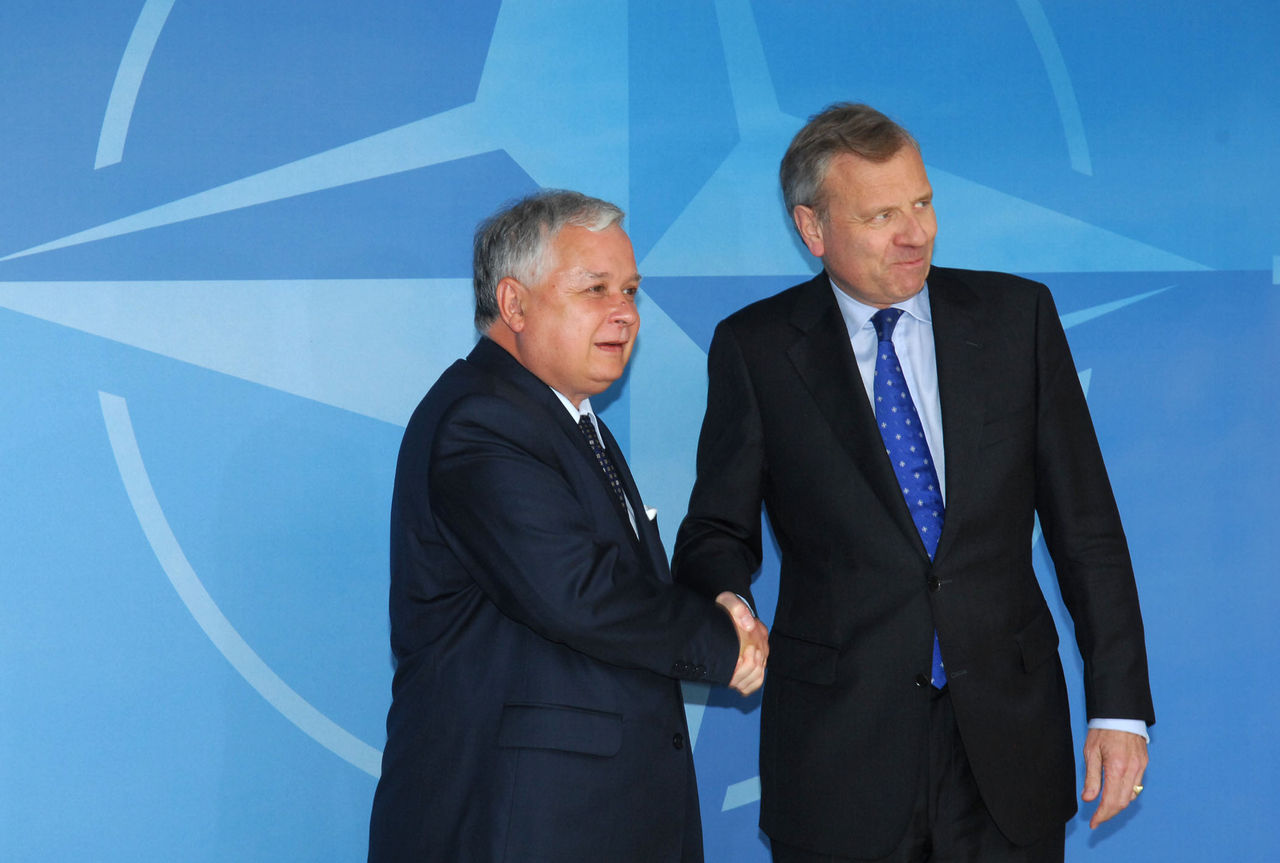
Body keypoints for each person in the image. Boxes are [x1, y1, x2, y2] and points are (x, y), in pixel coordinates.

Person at [671, 104, 1154, 862]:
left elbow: (1086, 526)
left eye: (923, 203)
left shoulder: (1015, 318)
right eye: (881, 215)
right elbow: (714, 532)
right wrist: (725, 594)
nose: (916, 232)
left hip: (1008, 744)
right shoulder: (758, 349)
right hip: (839, 755)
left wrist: (1119, 707)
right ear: (813, 229)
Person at [368, 189, 768, 862]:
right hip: (516, 827)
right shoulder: (481, 421)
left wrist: (720, 602)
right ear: (515, 304)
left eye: (631, 290)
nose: (624, 313)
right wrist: (724, 644)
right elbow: (578, 593)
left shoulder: (569, 423)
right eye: (595, 289)